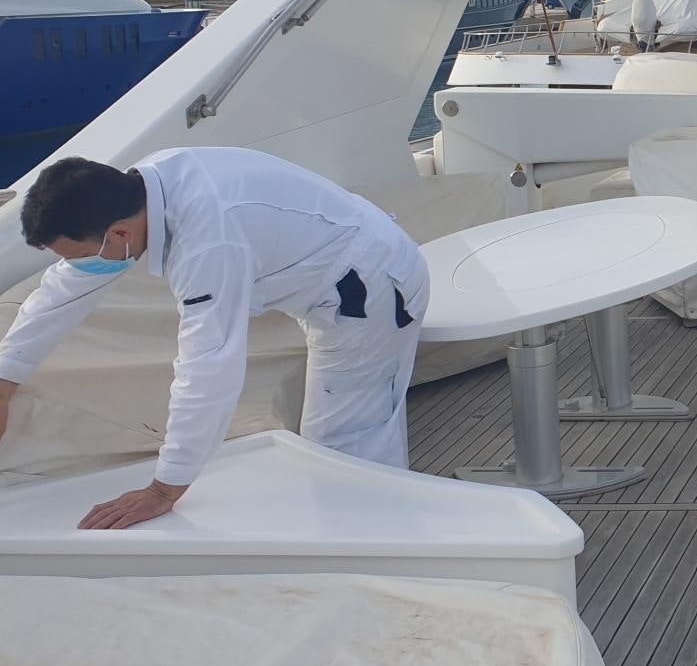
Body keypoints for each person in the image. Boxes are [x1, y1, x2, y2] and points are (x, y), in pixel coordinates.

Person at [0, 147, 428, 530]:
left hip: (372, 288)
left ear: (120, 235)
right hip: (335, 266)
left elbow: (207, 370)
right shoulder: (150, 182)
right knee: (341, 444)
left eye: (77, 256)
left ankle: (383, 548)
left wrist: (165, 489)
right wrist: (5, 380)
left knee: (346, 447)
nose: (77, 267)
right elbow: (65, 288)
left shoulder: (206, 241)